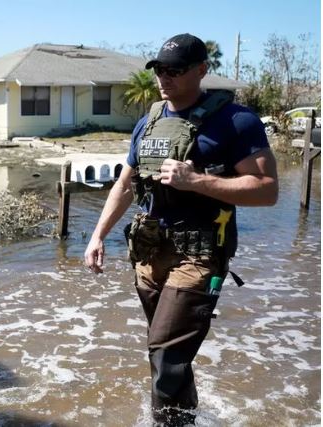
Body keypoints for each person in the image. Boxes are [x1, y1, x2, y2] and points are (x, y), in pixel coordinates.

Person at [83, 34, 278, 426]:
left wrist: (199, 182)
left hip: (201, 254)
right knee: (167, 356)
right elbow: (126, 183)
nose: (164, 78)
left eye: (175, 70)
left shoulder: (236, 121)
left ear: (202, 70)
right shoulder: (149, 122)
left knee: (166, 355)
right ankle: (188, 419)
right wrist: (98, 234)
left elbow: (268, 190)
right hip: (150, 253)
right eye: (159, 70)